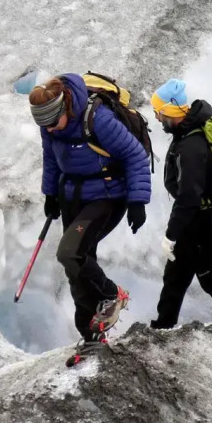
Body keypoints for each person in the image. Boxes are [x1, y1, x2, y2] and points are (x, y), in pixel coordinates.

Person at [30, 74, 151, 342]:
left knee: (70, 254)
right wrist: (50, 195)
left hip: (107, 195)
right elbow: (51, 159)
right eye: (43, 125)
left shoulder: (99, 119)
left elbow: (135, 155)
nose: (49, 129)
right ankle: (91, 338)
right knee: (78, 271)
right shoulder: (48, 123)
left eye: (52, 123)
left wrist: (137, 201)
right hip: (72, 195)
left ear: (64, 108)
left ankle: (112, 295)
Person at [148, 79, 212, 329]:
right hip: (202, 218)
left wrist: (171, 234)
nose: (158, 120)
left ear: (171, 111)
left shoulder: (191, 144)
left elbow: (189, 196)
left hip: (202, 221)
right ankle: (162, 328)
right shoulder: (188, 131)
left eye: (159, 114)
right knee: (179, 276)